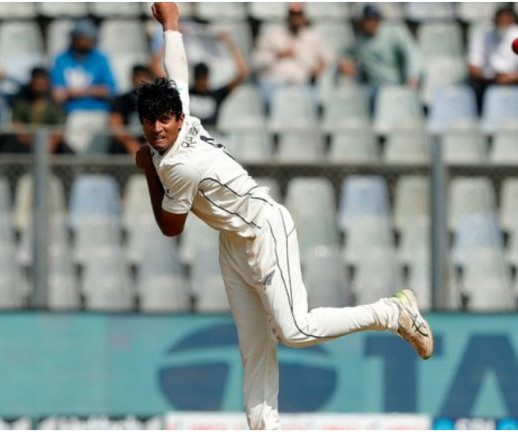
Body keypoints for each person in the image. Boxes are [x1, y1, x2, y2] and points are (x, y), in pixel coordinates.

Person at [135, 4, 434, 430]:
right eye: (150, 121)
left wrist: (148, 172)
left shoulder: (178, 165)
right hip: (233, 240)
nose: (158, 128)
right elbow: (176, 69)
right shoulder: (179, 113)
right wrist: (171, 26)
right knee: (254, 348)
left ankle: (393, 312)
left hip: (263, 228)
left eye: (165, 120)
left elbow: (171, 227)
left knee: (295, 330)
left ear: (180, 119)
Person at [339, 4, 423, 89]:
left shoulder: (393, 32)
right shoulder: (359, 42)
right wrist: (344, 62)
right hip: (371, 89)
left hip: (395, 86)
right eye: (368, 20)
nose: (371, 23)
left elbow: (412, 52)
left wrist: (413, 76)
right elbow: (345, 54)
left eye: (374, 19)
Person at [467, 6, 518, 113]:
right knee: (473, 88)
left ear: (512, 22)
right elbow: (473, 68)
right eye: (500, 22)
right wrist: (490, 77)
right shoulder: (481, 35)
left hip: (515, 79)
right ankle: (478, 120)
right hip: (488, 79)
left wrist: (511, 78)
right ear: (494, 21)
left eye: (506, 22)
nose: (503, 26)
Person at [252, 3, 333, 89]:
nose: (296, 19)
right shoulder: (272, 35)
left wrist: (318, 69)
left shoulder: (313, 37)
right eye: (293, 15)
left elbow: (328, 57)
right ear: (288, 16)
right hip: (274, 83)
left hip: (302, 84)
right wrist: (277, 56)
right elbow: (255, 62)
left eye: (299, 16)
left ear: (304, 17)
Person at [50, 18, 117, 114]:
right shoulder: (61, 60)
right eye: (85, 38)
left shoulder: (101, 59)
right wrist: (95, 90)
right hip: (70, 113)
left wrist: (74, 91)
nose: (89, 42)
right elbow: (58, 95)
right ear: (75, 38)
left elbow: (109, 90)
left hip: (99, 112)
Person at [187, 30, 248, 129]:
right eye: (199, 78)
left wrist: (230, 44)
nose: (201, 82)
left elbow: (242, 73)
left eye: (203, 78)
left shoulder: (216, 94)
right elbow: (155, 68)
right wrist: (174, 39)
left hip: (211, 135)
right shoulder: (185, 93)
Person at [10, 67, 72, 154]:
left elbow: (59, 128)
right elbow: (17, 125)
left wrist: (49, 144)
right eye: (36, 81)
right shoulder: (22, 101)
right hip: (27, 144)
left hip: (50, 144)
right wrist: (33, 142)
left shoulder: (55, 103)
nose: (39, 85)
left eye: (41, 81)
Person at [109, 65, 154, 155]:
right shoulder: (122, 100)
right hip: (126, 146)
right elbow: (114, 125)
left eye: (145, 77)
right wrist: (130, 143)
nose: (141, 81)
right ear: (132, 79)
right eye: (138, 76)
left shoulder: (157, 101)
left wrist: (150, 144)